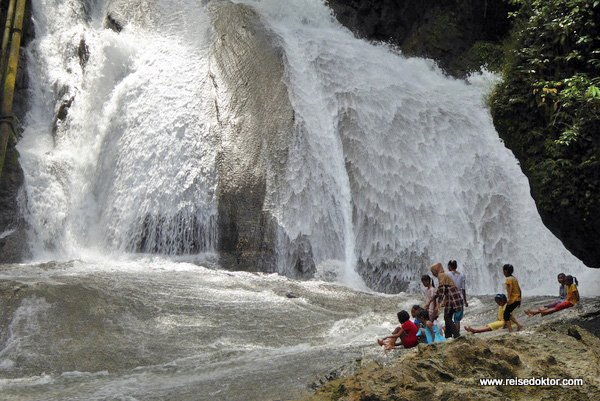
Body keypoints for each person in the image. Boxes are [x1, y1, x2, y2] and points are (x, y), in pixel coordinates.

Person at [430, 262, 463, 338]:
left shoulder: (441, 276)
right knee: (447, 316)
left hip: (452, 297)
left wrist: (439, 303)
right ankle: (448, 335)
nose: (433, 273)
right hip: (452, 297)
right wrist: (431, 300)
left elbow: (442, 289)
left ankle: (457, 335)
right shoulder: (443, 275)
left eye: (433, 271)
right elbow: (439, 291)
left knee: (447, 317)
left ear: (436, 270)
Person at [447, 260, 468, 334]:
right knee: (457, 319)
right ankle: (457, 334)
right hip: (460, 298)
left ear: (450, 266)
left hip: (451, 297)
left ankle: (450, 333)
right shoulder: (462, 275)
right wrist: (465, 301)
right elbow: (463, 288)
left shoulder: (448, 274)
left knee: (448, 317)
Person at [502, 264, 523, 332]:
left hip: (513, 299)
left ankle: (510, 330)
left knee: (505, 315)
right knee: (507, 313)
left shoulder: (508, 279)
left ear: (505, 271)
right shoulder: (515, 279)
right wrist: (520, 300)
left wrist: (509, 297)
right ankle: (518, 325)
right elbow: (519, 290)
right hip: (517, 299)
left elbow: (511, 287)